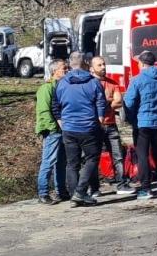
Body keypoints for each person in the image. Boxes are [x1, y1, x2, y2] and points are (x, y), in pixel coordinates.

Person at [52, 52, 107, 206]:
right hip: (88, 127)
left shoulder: (61, 83)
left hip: (69, 128)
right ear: (85, 63)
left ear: (70, 64)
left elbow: (55, 105)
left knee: (72, 163)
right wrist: (100, 119)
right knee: (92, 159)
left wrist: (61, 122)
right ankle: (80, 192)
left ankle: (74, 197)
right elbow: (101, 102)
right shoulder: (93, 82)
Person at [124, 50, 157, 200]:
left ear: (141, 63)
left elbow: (129, 103)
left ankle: (146, 189)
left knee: (142, 156)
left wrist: (132, 119)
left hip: (141, 123)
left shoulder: (137, 80)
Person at [89, 56, 135, 196]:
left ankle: (121, 184)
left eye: (104, 64)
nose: (103, 67)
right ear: (92, 68)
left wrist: (103, 104)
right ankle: (94, 189)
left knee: (118, 156)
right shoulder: (88, 84)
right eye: (99, 65)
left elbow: (119, 102)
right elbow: (89, 104)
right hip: (94, 127)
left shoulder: (112, 83)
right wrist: (109, 102)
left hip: (110, 125)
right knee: (92, 158)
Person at [35, 59, 69, 204]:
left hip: (62, 130)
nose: (67, 71)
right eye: (64, 68)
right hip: (52, 131)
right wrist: (54, 127)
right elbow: (44, 110)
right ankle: (43, 193)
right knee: (48, 161)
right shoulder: (46, 88)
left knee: (61, 162)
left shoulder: (63, 86)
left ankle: (61, 191)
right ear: (55, 70)